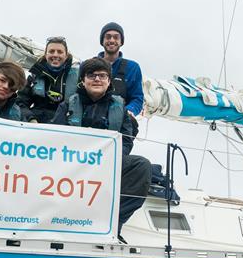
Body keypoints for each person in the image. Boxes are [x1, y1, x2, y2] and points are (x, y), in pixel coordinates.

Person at [51, 57, 151, 240]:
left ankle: (113, 224)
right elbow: (56, 137)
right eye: (91, 75)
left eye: (102, 76)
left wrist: (110, 158)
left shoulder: (119, 108)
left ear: (109, 81)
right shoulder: (67, 106)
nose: (97, 79)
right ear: (83, 80)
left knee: (142, 166)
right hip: (71, 164)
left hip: (106, 163)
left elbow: (126, 139)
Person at [17, 36, 79, 123]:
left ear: (66, 56)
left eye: (60, 52)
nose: (55, 55)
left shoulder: (78, 78)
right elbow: (20, 102)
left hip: (65, 130)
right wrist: (30, 119)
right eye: (51, 51)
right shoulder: (34, 76)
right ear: (46, 55)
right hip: (36, 128)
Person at [98, 21, 144, 117]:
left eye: (116, 37)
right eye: (108, 37)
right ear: (102, 41)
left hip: (120, 122)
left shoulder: (133, 68)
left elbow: (137, 98)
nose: (111, 40)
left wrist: (128, 112)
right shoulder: (88, 65)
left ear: (121, 42)